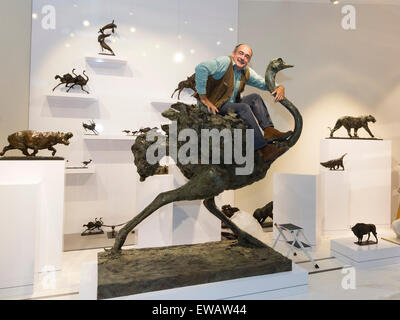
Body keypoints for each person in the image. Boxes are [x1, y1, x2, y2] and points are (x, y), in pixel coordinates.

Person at [194, 44, 292, 162]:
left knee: (255, 97)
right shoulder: (225, 62)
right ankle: (262, 149)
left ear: (248, 60)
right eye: (241, 53)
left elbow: (263, 83)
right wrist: (204, 98)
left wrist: (279, 87)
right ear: (233, 53)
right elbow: (201, 68)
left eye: (247, 56)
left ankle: (269, 131)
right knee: (243, 107)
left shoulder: (246, 71)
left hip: (230, 105)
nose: (243, 58)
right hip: (216, 106)